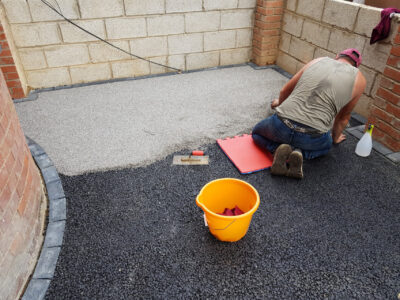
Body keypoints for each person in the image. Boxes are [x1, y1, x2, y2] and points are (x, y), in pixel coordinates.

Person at [252, 48, 367, 179]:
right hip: (312, 137)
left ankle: (275, 148)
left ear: (336, 56)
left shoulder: (318, 61)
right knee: (325, 147)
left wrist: (279, 104)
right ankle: (300, 153)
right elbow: (343, 118)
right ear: (356, 66)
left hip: (281, 125)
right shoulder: (360, 79)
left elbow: (284, 91)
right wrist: (335, 138)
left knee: (256, 133)